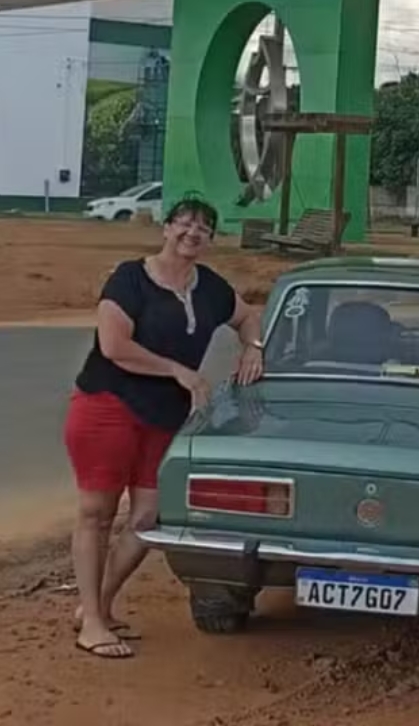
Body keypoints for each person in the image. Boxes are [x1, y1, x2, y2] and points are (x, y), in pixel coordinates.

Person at [63, 195, 265, 659]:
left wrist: (253, 347)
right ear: (166, 228)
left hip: (167, 417)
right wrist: (178, 370)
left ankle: (98, 605)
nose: (192, 233)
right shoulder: (130, 278)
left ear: (211, 239)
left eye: (203, 228)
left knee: (150, 516)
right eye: (185, 223)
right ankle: (92, 621)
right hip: (108, 404)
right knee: (97, 512)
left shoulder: (210, 287)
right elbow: (113, 346)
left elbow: (247, 315)